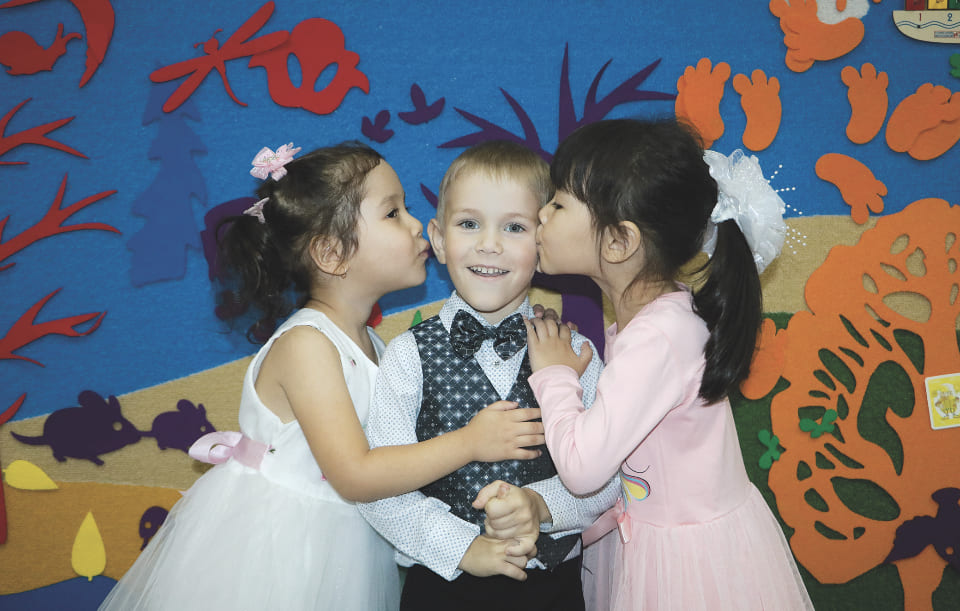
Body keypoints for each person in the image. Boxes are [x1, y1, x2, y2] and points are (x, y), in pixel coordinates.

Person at [99, 142, 548, 611]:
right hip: (283, 553)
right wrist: (470, 442)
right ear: (332, 254)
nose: (417, 224)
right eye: (393, 213)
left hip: (347, 547)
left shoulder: (377, 346)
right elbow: (355, 474)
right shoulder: (307, 345)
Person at [524, 118, 814, 610]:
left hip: (685, 571)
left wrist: (553, 374)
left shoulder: (658, 337)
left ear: (619, 242)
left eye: (558, 203)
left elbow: (582, 467)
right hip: (658, 543)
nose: (541, 214)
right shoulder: (658, 322)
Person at [358, 140, 620, 611]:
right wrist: (463, 547)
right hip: (441, 589)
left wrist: (541, 506)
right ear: (439, 239)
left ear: (543, 243)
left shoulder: (576, 353)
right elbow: (379, 490)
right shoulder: (407, 356)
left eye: (514, 227)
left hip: (554, 590)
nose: (490, 244)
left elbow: (609, 477)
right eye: (469, 223)